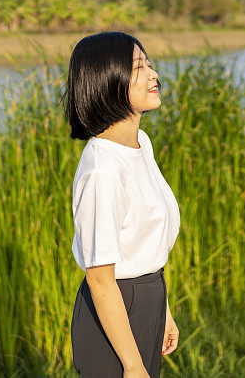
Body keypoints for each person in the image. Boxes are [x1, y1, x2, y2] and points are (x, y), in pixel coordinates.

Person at [63, 31, 181, 378]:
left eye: (149, 64)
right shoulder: (102, 170)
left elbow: (144, 243)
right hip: (113, 312)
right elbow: (100, 279)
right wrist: (131, 365)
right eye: (138, 67)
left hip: (148, 298)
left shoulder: (140, 143)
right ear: (107, 82)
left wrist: (163, 309)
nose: (153, 75)